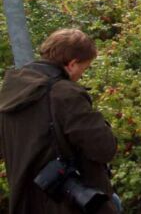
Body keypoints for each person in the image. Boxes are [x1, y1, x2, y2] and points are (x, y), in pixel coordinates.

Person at [0, 29, 119, 213]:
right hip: (69, 203)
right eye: (84, 68)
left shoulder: (10, 93)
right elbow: (104, 148)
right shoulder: (65, 94)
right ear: (72, 64)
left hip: (25, 201)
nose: (81, 75)